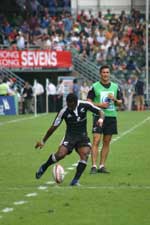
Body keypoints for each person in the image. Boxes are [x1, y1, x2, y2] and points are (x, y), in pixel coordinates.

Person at [35, 93, 104, 186]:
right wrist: (43, 141)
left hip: (82, 136)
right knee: (60, 155)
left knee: (85, 154)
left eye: (71, 106)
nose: (69, 108)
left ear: (76, 103)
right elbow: (53, 127)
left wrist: (101, 119)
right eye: (68, 105)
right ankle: (44, 166)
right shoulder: (63, 111)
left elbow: (100, 111)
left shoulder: (84, 104)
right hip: (70, 136)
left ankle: (75, 181)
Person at [87, 65, 123, 174]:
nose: (105, 74)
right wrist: (100, 105)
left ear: (109, 74)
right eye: (103, 72)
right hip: (98, 116)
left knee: (106, 142)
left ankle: (102, 166)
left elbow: (121, 103)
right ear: (100, 74)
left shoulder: (115, 87)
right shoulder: (95, 86)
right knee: (96, 140)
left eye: (107, 72)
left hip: (111, 117)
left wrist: (115, 99)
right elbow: (88, 102)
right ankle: (93, 166)